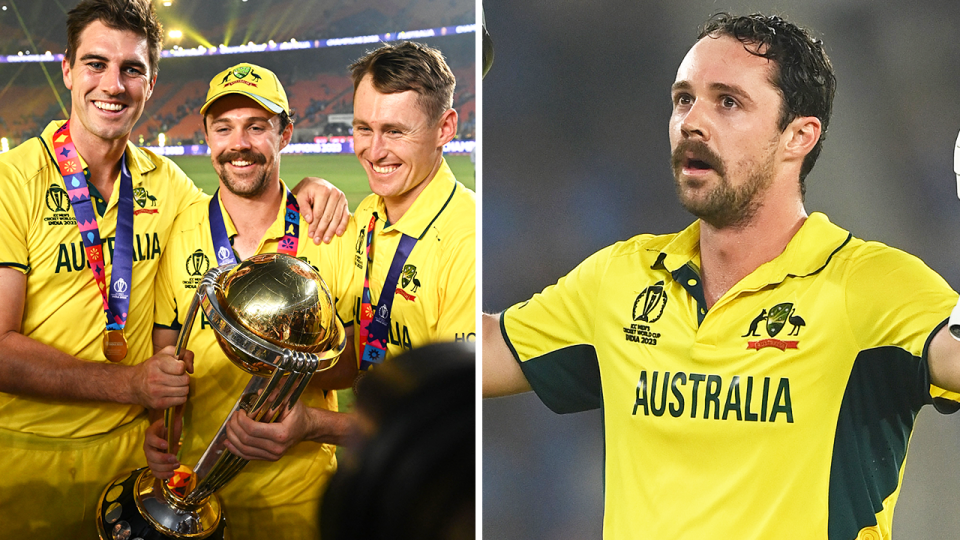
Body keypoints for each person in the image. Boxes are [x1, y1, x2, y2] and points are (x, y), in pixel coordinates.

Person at [483, 13, 960, 539]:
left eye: (727, 102)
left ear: (798, 136)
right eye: (684, 99)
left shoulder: (868, 285)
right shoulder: (622, 279)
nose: (691, 121)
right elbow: (473, 351)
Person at [0, 1, 345, 536]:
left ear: (151, 83)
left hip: (137, 463)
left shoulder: (170, 187)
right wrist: (131, 383)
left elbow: (241, 203)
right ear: (67, 69)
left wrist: (308, 190)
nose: (113, 84)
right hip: (28, 458)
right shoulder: (11, 179)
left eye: (131, 68)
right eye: (95, 64)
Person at [211, 42, 477, 465]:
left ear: (445, 128)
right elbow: (356, 347)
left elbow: (457, 424)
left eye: (395, 131)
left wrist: (315, 425)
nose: (374, 151)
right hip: (374, 475)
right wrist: (299, 193)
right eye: (363, 129)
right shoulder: (368, 217)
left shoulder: (467, 242)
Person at [144, 62, 358, 540]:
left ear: (284, 134)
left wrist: (275, 350)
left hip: (299, 496)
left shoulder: (329, 230)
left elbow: (350, 366)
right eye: (224, 128)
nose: (238, 143)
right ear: (207, 138)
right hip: (192, 489)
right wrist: (159, 425)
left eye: (256, 126)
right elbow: (166, 348)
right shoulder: (179, 230)